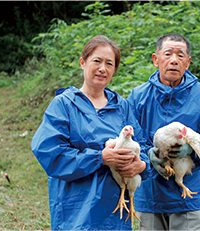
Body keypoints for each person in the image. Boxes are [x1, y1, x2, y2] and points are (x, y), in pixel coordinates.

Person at [31, 35, 152, 231]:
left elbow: (143, 145)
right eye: (97, 61)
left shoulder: (122, 107)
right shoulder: (64, 105)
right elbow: (49, 152)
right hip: (76, 208)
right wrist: (100, 158)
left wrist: (141, 164)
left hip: (115, 210)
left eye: (109, 64)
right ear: (83, 62)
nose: (103, 68)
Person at [127, 33, 200, 231]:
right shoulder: (139, 97)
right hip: (151, 192)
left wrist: (192, 150)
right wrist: (148, 155)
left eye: (180, 55)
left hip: (192, 192)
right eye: (168, 54)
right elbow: (132, 138)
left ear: (187, 62)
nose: (174, 60)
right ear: (156, 59)